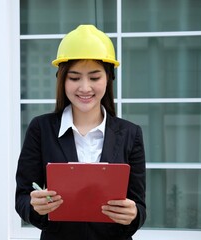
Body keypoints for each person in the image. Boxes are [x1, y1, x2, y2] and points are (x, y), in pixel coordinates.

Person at [15, 25, 146, 240]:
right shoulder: (41, 129)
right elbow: (22, 198)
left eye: (94, 78)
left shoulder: (130, 134)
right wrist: (34, 206)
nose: (85, 88)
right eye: (74, 78)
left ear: (108, 78)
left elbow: (139, 206)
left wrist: (133, 215)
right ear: (62, 79)